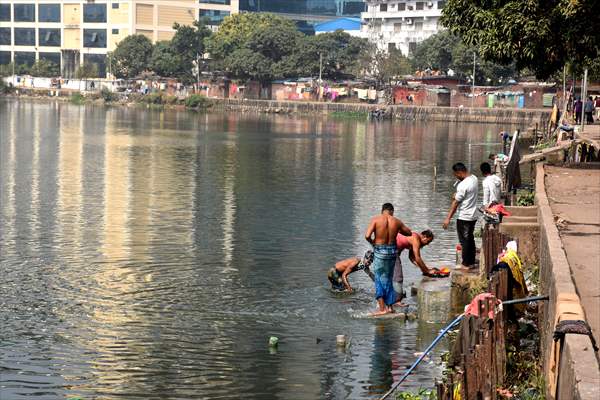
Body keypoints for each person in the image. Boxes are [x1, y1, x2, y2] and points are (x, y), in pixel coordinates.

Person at [365, 203, 412, 316]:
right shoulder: (396, 221)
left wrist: (374, 244)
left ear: (382, 210)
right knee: (389, 279)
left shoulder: (376, 219)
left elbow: (367, 236)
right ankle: (390, 307)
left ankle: (382, 309)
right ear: (392, 211)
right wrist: (396, 229)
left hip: (380, 252)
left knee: (379, 280)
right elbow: (409, 232)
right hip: (392, 252)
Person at [443, 163, 479, 269]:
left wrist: (448, 218)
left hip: (464, 216)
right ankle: (471, 261)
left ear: (459, 172)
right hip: (473, 215)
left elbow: (455, 203)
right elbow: (464, 195)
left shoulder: (463, 185)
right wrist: (457, 194)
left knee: (464, 241)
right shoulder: (474, 178)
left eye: (456, 175)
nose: (456, 177)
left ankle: (465, 264)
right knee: (470, 238)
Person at [393, 230, 436, 305]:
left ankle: (393, 295)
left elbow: (411, 257)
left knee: (392, 276)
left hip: (392, 250)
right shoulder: (416, 239)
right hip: (392, 251)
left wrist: (424, 268)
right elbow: (417, 258)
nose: (427, 244)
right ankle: (397, 301)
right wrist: (427, 271)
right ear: (424, 237)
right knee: (398, 277)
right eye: (428, 242)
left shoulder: (415, 237)